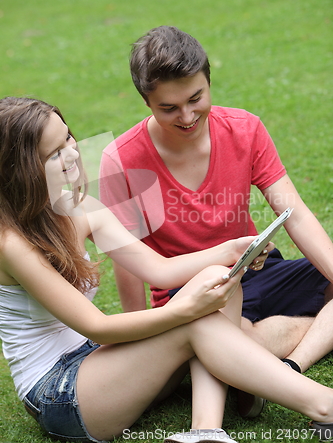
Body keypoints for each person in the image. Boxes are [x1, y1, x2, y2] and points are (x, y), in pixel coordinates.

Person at [4, 96, 331, 443]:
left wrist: (229, 251)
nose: (71, 153)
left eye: (68, 138)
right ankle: (324, 405)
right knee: (196, 321)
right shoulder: (10, 243)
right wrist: (183, 311)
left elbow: (158, 270)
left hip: (98, 362)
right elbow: (97, 327)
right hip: (61, 392)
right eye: (54, 153)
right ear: (21, 168)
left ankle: (206, 431)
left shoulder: (78, 206)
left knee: (218, 278)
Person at [99, 26, 333, 421]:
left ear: (208, 80)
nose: (187, 116)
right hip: (188, 296)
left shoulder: (245, 128)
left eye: (196, 98)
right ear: (147, 101)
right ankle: (247, 357)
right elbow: (125, 260)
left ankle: (287, 367)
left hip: (258, 269)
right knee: (224, 336)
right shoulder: (117, 158)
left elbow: (295, 214)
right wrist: (135, 336)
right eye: (168, 108)